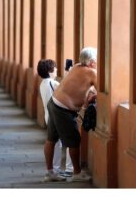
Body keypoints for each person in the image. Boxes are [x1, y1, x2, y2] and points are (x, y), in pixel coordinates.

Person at [44, 47, 97, 182]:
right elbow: (102, 90)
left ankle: (50, 172)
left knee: (51, 139)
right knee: (74, 140)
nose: (97, 63)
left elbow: (79, 86)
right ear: (91, 62)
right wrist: (93, 95)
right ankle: (77, 173)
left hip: (53, 102)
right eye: (96, 60)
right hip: (63, 109)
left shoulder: (76, 66)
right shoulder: (92, 73)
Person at [37, 59, 73, 182]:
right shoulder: (52, 83)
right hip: (56, 117)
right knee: (66, 142)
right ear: (49, 70)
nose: (57, 70)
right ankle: (63, 170)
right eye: (55, 68)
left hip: (48, 116)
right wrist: (70, 73)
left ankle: (52, 171)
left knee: (55, 144)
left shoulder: (43, 83)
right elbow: (67, 89)